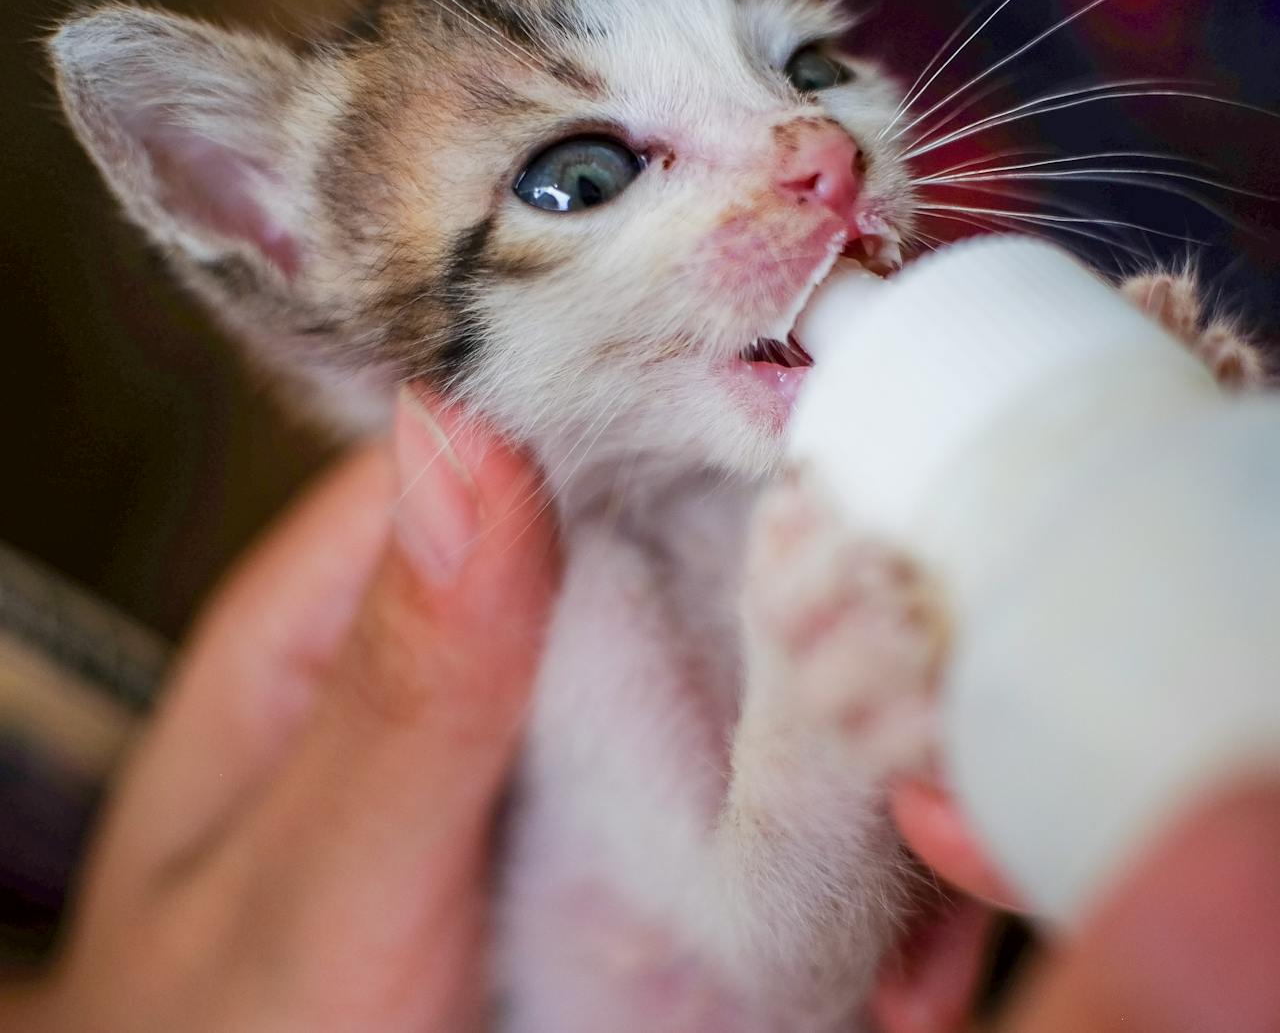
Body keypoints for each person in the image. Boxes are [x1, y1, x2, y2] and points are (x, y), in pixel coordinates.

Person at [2, 389, 1276, 1032]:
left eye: (810, 69)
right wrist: (825, 699)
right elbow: (774, 956)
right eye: (584, 181)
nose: (815, 156)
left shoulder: (751, 469)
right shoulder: (577, 581)